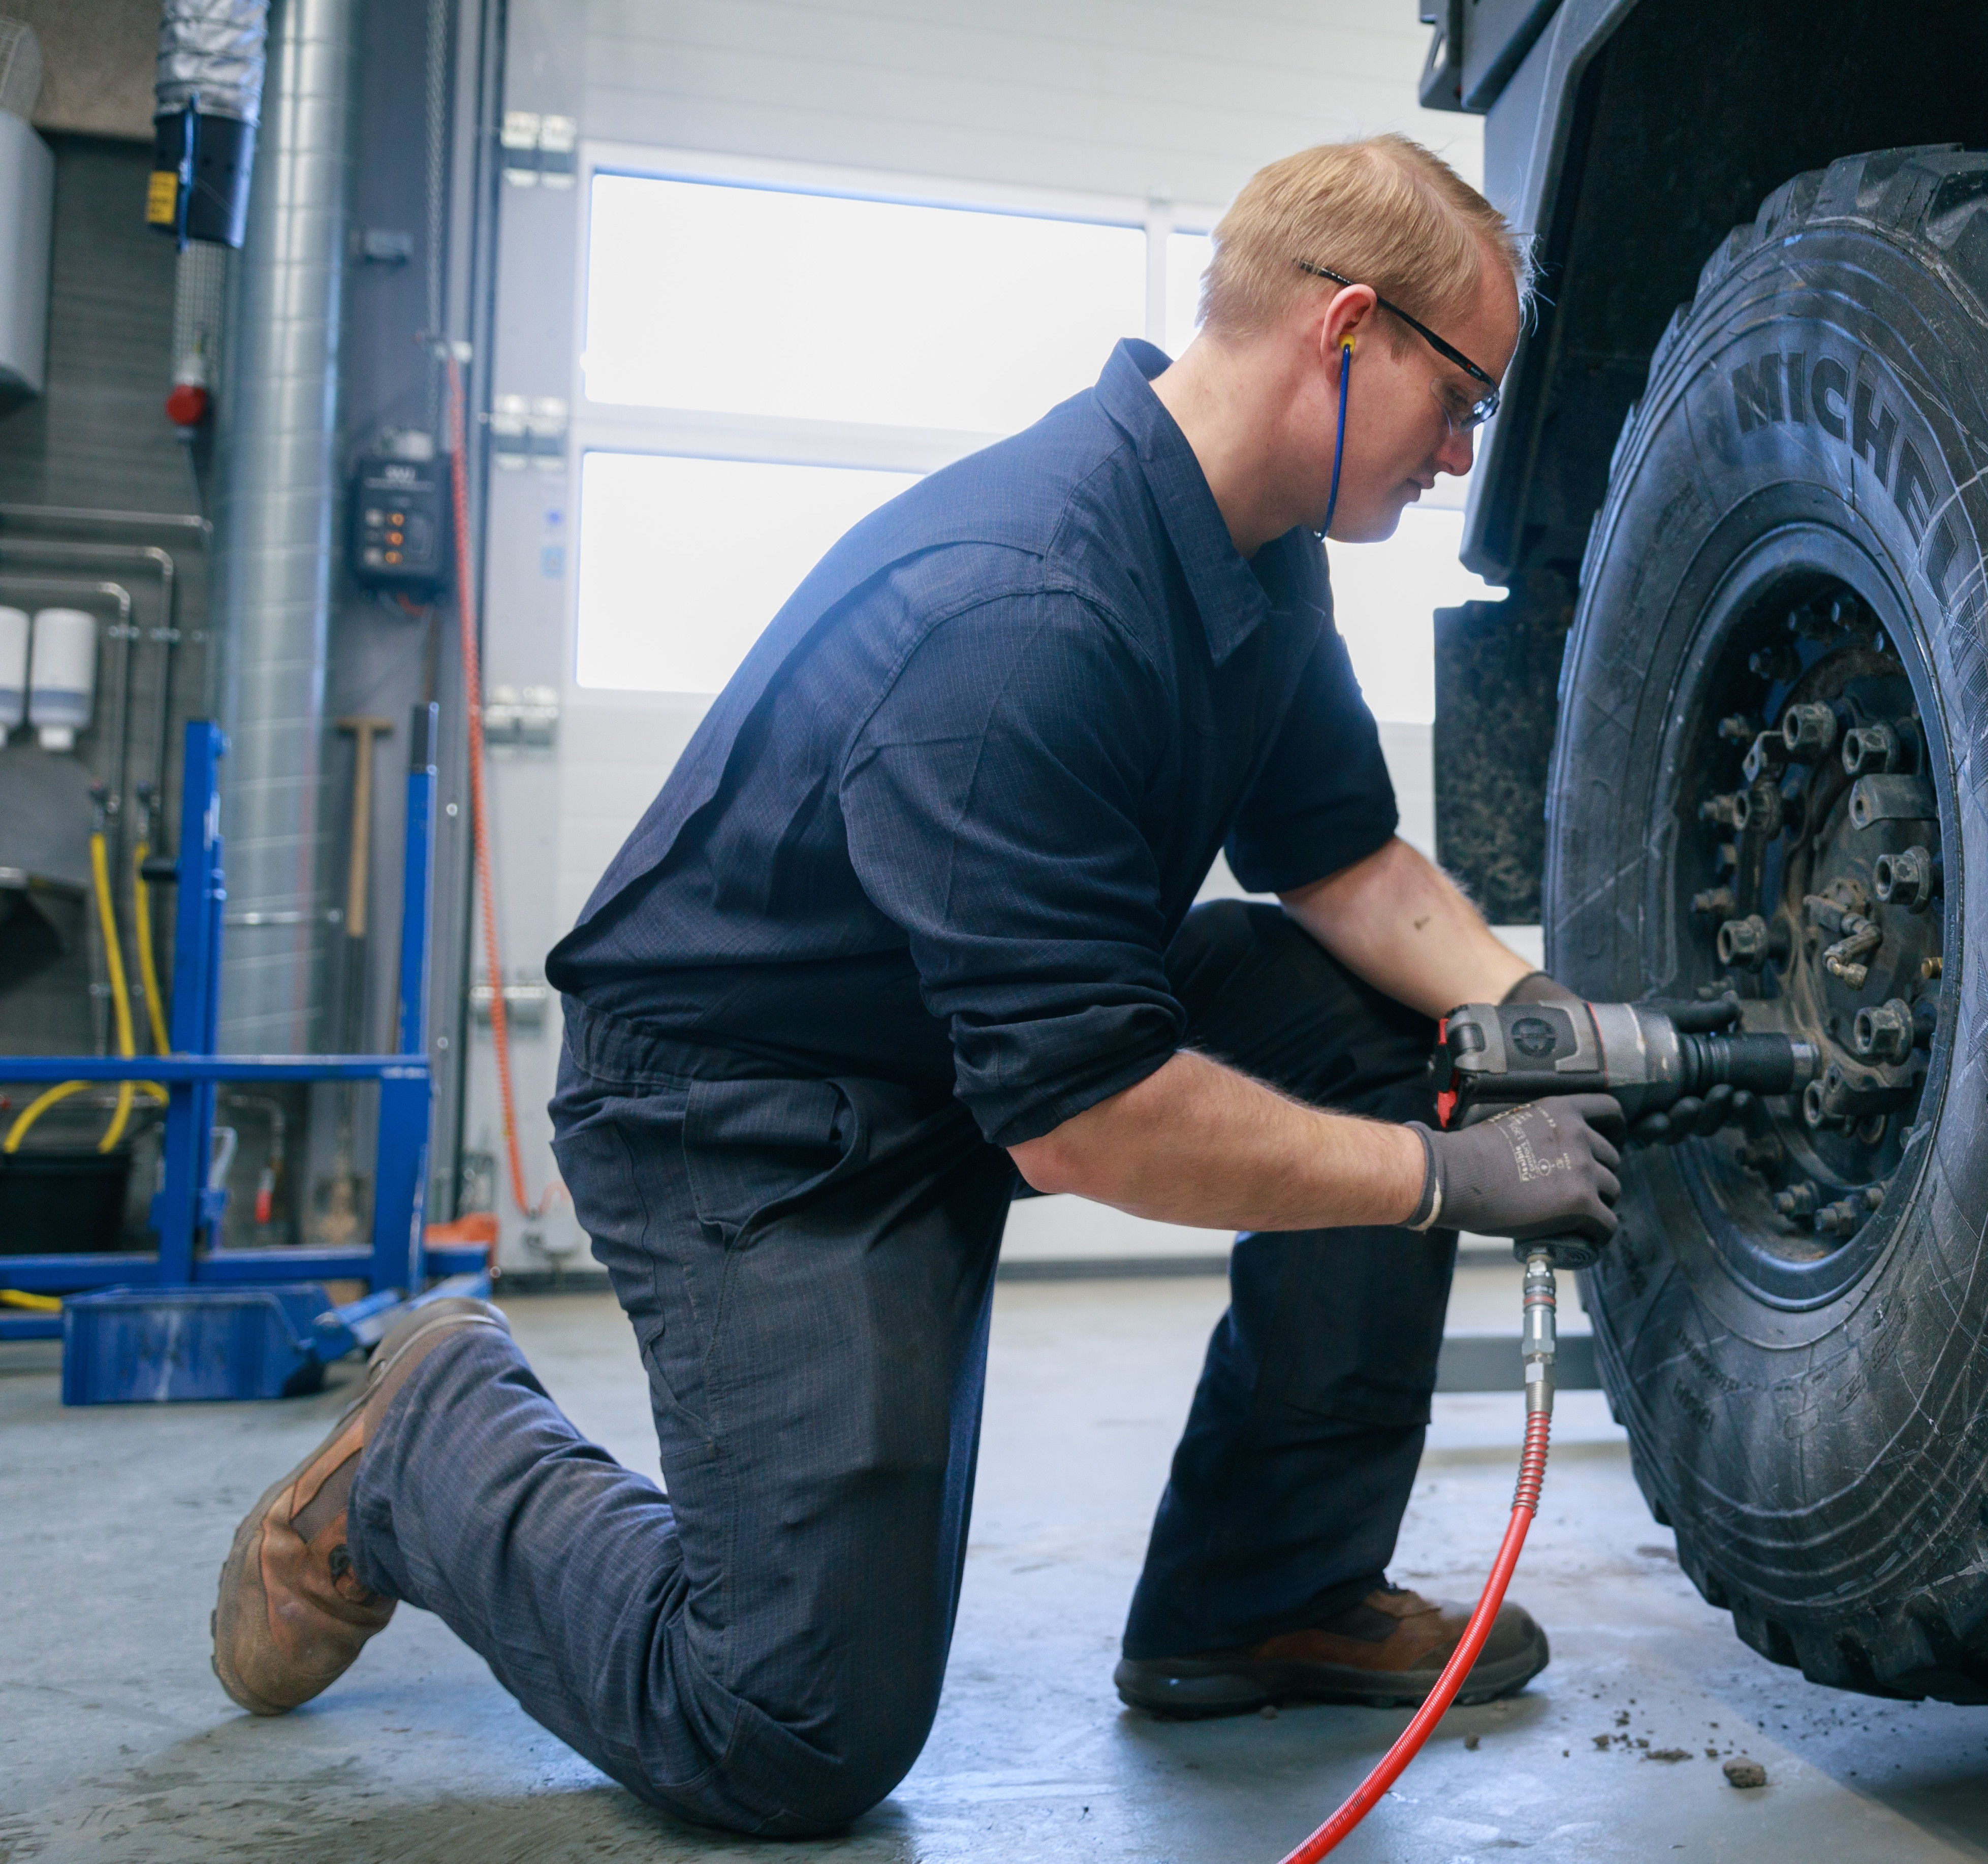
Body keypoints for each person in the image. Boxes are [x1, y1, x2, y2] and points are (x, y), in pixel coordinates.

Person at [206, 133, 1639, 1837]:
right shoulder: (1025, 613)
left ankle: (1262, 1596)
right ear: (1348, 334)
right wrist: (1445, 1175)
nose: (1464, 457)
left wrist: (1527, 1012)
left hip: (968, 1032)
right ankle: (437, 1441)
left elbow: (1338, 865)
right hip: (753, 1103)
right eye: (1462, 398)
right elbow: (1088, 1119)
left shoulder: (1257, 546)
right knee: (791, 1725)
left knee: (1389, 1031)